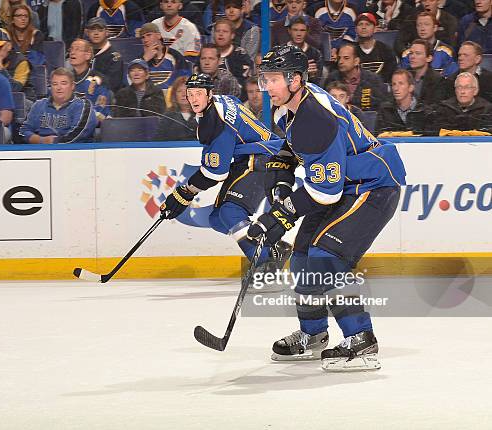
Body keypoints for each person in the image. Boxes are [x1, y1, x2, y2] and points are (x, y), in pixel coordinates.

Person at [247, 45, 406, 371]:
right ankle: (313, 333)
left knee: (326, 258)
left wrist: (278, 216)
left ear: (295, 80)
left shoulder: (316, 118)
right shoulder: (289, 105)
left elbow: (324, 191)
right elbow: (293, 148)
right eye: (265, 79)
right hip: (345, 186)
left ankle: (362, 341)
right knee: (303, 255)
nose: (268, 87)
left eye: (274, 79)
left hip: (372, 187)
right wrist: (280, 179)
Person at [159, 73, 285, 271]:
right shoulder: (221, 101)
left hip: (262, 157)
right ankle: (273, 245)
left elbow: (215, 173)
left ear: (209, 94)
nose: (193, 99)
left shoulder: (216, 122)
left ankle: (266, 263)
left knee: (230, 212)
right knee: (217, 219)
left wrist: (185, 192)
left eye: (198, 94)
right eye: (190, 94)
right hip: (253, 156)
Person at [20, 68, 97, 143]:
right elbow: (22, 132)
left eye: (63, 83)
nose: (59, 88)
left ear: (72, 86)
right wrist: (41, 140)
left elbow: (80, 134)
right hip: (40, 150)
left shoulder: (82, 105)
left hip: (72, 151)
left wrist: (54, 142)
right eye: (55, 84)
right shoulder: (38, 105)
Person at [324, 43, 387, 111]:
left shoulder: (373, 79)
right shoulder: (332, 78)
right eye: (339, 58)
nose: (340, 62)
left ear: (356, 61)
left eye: (346, 58)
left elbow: (382, 105)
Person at [399, 12, 458, 78]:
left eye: (426, 24)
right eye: (419, 25)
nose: (422, 29)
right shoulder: (407, 54)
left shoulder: (446, 52)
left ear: (435, 28)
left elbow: (452, 77)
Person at [376, 69, 434, 135]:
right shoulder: (385, 110)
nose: (396, 88)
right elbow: (379, 136)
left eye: (401, 83)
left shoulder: (424, 112)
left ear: (411, 88)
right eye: (394, 84)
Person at [69, 38, 112, 122]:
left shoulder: (99, 80)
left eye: (77, 49)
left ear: (88, 55)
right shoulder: (65, 78)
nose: (72, 52)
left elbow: (101, 112)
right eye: (71, 49)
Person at [139, 22, 190, 91]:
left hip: (170, 95)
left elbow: (184, 79)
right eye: (143, 37)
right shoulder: (141, 58)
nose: (145, 40)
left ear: (159, 36)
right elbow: (131, 81)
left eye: (149, 35)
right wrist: (144, 59)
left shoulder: (174, 55)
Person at [0, 28, 33, 99]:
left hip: (22, 100)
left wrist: (1, 69)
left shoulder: (21, 61)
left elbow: (15, 89)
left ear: (9, 46)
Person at [85, 17, 125, 93]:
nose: (96, 33)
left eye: (100, 30)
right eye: (92, 30)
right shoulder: (82, 52)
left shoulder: (114, 57)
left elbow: (113, 84)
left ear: (107, 32)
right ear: (87, 33)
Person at [355, 12, 396, 83]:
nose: (363, 27)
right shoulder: (352, 51)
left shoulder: (386, 50)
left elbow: (392, 74)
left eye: (367, 24)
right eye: (360, 24)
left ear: (374, 29)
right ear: (356, 29)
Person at [154, 75, 198, 141]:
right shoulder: (168, 116)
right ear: (174, 95)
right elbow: (158, 141)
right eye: (179, 91)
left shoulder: (202, 115)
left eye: (187, 90)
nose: (183, 94)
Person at [213, 18, 253, 86]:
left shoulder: (240, 55)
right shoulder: (207, 52)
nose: (220, 34)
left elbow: (243, 81)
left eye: (225, 31)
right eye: (218, 31)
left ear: (232, 35)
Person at [406, 38, 448, 103]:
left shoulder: (438, 80)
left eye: (418, 53)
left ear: (429, 58)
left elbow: (436, 106)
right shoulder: (405, 77)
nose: (412, 57)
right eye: (411, 53)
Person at [286, 17, 323, 84]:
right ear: (289, 31)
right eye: (295, 30)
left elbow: (317, 81)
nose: (299, 34)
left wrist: (312, 75)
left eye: (302, 30)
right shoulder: (280, 52)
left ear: (307, 31)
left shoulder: (315, 54)